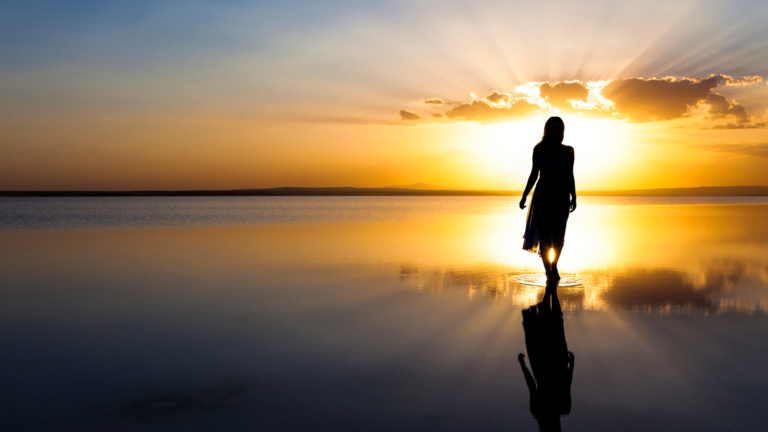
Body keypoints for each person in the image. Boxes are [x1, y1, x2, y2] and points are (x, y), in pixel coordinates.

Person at [519, 117, 576, 283]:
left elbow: (570, 175)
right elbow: (533, 174)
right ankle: (549, 271)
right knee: (545, 237)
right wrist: (524, 195)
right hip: (543, 196)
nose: (555, 131)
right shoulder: (539, 149)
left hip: (562, 197)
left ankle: (554, 266)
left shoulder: (569, 151)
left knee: (559, 237)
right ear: (547, 130)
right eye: (552, 128)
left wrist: (574, 195)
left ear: (562, 130)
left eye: (558, 128)